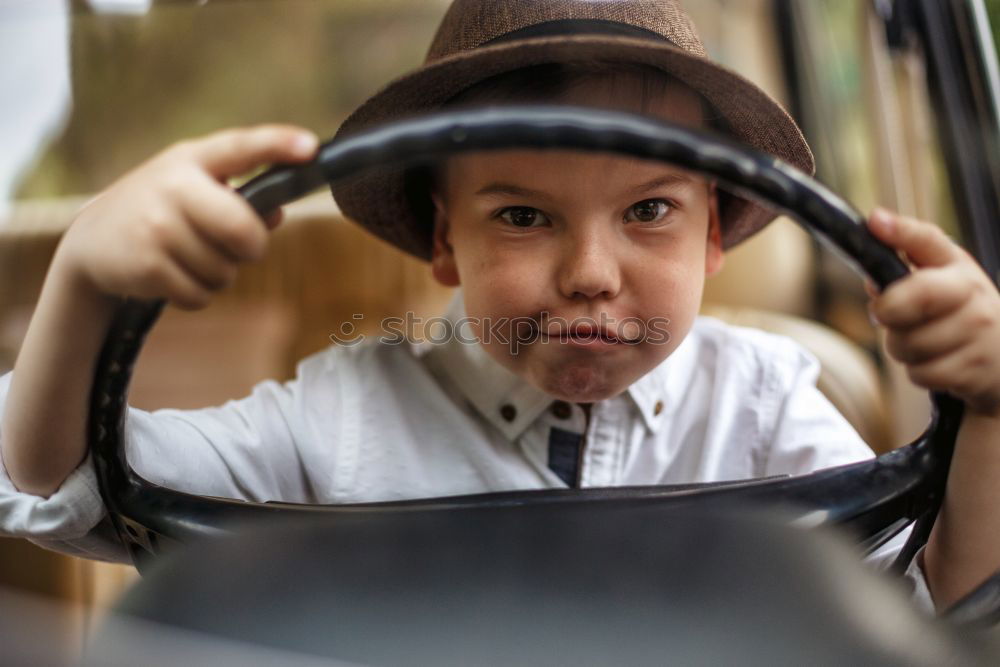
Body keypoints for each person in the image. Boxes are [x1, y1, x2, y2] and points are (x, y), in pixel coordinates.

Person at [1, 0, 998, 615]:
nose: (589, 272)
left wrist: (989, 406)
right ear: (444, 241)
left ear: (712, 236)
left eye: (648, 209)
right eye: (523, 215)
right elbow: (62, 492)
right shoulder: (344, 410)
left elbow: (939, 601)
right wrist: (83, 282)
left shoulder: (771, 404)